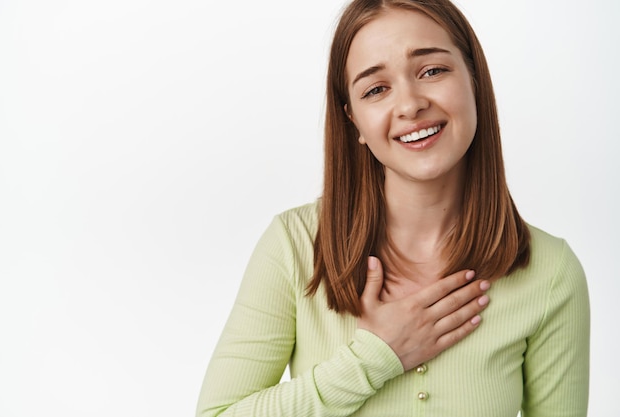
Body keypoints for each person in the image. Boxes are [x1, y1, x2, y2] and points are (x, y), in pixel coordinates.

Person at [196, 0, 590, 415]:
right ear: (354, 121)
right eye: (376, 89)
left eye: (432, 71)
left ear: (474, 78)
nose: (410, 105)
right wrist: (375, 357)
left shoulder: (551, 271)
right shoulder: (294, 245)